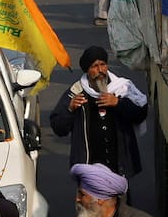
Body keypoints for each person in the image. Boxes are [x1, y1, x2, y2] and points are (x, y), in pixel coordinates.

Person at [51, 47, 146, 175]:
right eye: (95, 66)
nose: (100, 70)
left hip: (118, 169)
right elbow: (59, 128)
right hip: (89, 170)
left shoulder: (122, 88)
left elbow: (140, 114)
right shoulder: (76, 92)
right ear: (87, 70)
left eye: (103, 65)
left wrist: (118, 103)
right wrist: (70, 109)